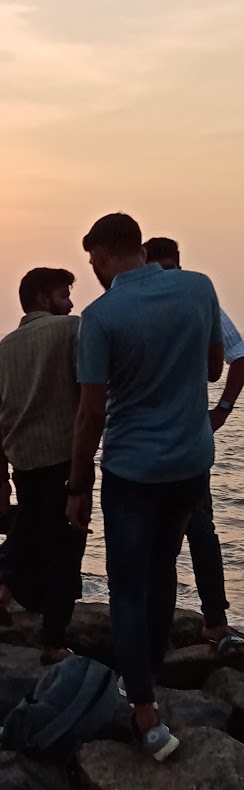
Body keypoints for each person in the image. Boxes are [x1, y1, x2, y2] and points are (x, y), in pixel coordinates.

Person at [68, 212, 224, 761]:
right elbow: (213, 369)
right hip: (189, 464)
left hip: (132, 471)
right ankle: (150, 672)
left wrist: (77, 485)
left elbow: (90, 413)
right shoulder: (198, 288)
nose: (92, 271)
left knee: (128, 587)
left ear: (108, 255)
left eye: (93, 261)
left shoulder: (101, 316)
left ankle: (144, 711)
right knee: (162, 573)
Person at [143, 235, 244, 657]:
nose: (174, 274)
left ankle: (214, 621)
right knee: (153, 537)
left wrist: (221, 409)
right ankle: (154, 632)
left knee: (199, 529)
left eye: (177, 266)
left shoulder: (201, 304)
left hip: (187, 436)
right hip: (146, 439)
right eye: (165, 267)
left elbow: (237, 356)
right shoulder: (135, 306)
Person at [0, 266, 85, 663]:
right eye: (64, 294)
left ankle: (4, 595)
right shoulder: (71, 330)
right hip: (64, 456)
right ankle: (53, 640)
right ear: (44, 297)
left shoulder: (0, 352)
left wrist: (2, 479)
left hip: (22, 460)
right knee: (67, 541)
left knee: (27, 527)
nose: (71, 303)